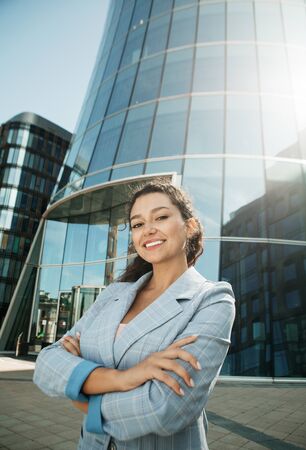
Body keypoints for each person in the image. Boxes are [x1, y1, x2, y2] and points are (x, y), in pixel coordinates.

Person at [33, 179, 235, 450]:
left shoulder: (212, 299)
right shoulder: (114, 293)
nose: (148, 230)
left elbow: (165, 409)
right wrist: (125, 377)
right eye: (138, 224)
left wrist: (83, 394)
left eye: (161, 217)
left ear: (190, 226)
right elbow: (47, 363)